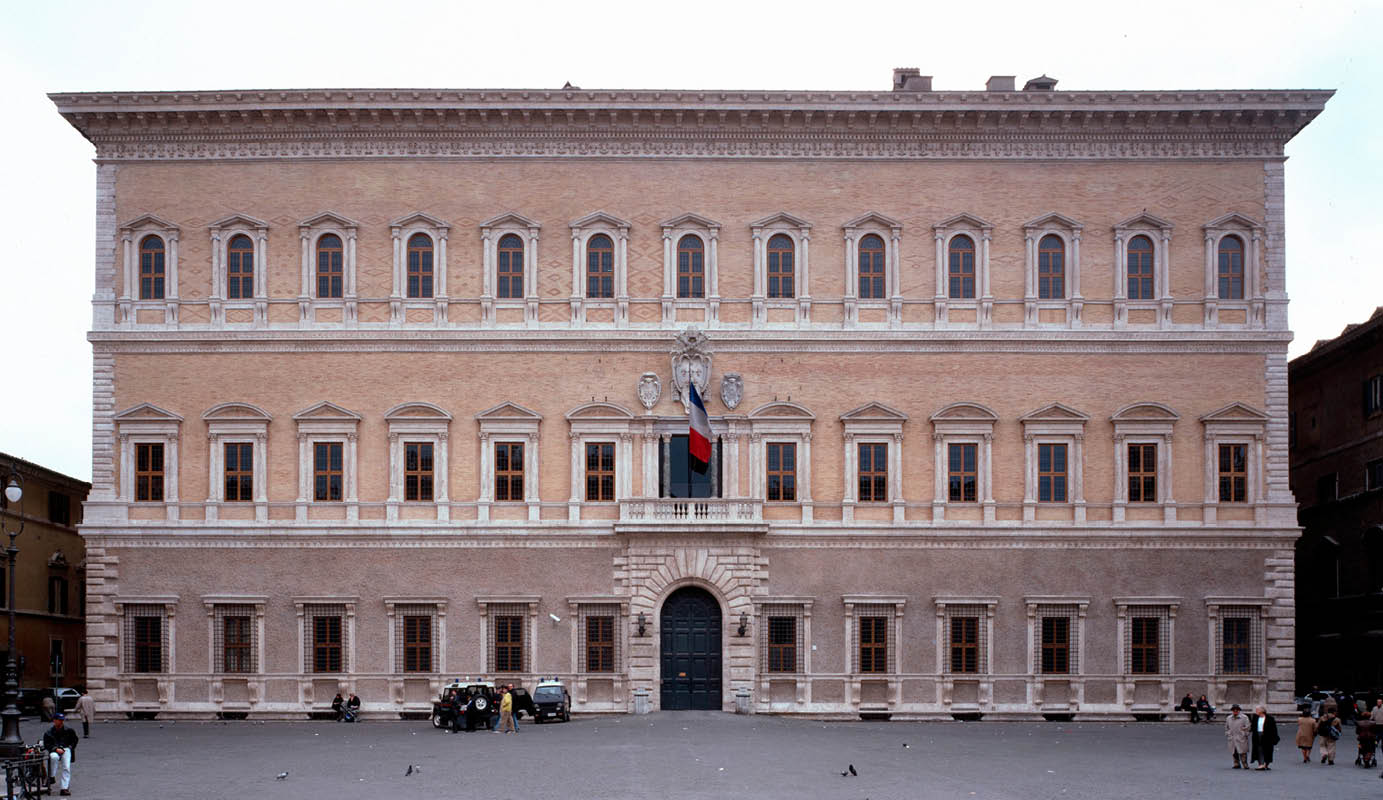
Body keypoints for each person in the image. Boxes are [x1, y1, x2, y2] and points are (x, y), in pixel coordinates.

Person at [42, 712, 78, 796]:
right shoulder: (49, 732)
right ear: (54, 721)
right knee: (53, 757)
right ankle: (51, 776)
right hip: (55, 749)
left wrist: (69, 747)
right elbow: (47, 744)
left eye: (62, 720)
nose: (61, 722)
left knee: (66, 767)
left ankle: (64, 788)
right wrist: (55, 749)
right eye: (59, 720)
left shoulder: (69, 730)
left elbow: (74, 740)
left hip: (66, 748)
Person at [1251, 705, 1279, 770]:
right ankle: (1261, 764)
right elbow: (1252, 727)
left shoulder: (1270, 718)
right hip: (1257, 735)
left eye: (1257, 710)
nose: (1256, 711)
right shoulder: (1255, 718)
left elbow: (1274, 729)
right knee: (1259, 749)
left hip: (1267, 736)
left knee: (1267, 749)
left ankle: (1266, 763)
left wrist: (1275, 737)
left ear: (1262, 711)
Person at [1225, 704, 1251, 769]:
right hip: (1232, 737)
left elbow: (1248, 727)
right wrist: (1228, 734)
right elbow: (1226, 727)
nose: (1235, 711)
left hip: (1241, 736)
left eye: (1237, 710)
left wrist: (1245, 734)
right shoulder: (1228, 718)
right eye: (1234, 710)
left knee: (1243, 751)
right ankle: (1236, 763)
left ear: (1239, 710)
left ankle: (1245, 763)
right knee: (1234, 751)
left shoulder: (1244, 717)